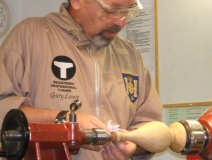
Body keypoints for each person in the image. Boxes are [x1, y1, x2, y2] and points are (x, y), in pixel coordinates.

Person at [0, 0, 162, 159]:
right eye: (112, 10)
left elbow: (149, 127)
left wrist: (133, 146)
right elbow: (3, 110)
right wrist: (65, 121)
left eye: (127, 11)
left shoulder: (130, 55)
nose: (121, 22)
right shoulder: (30, 35)